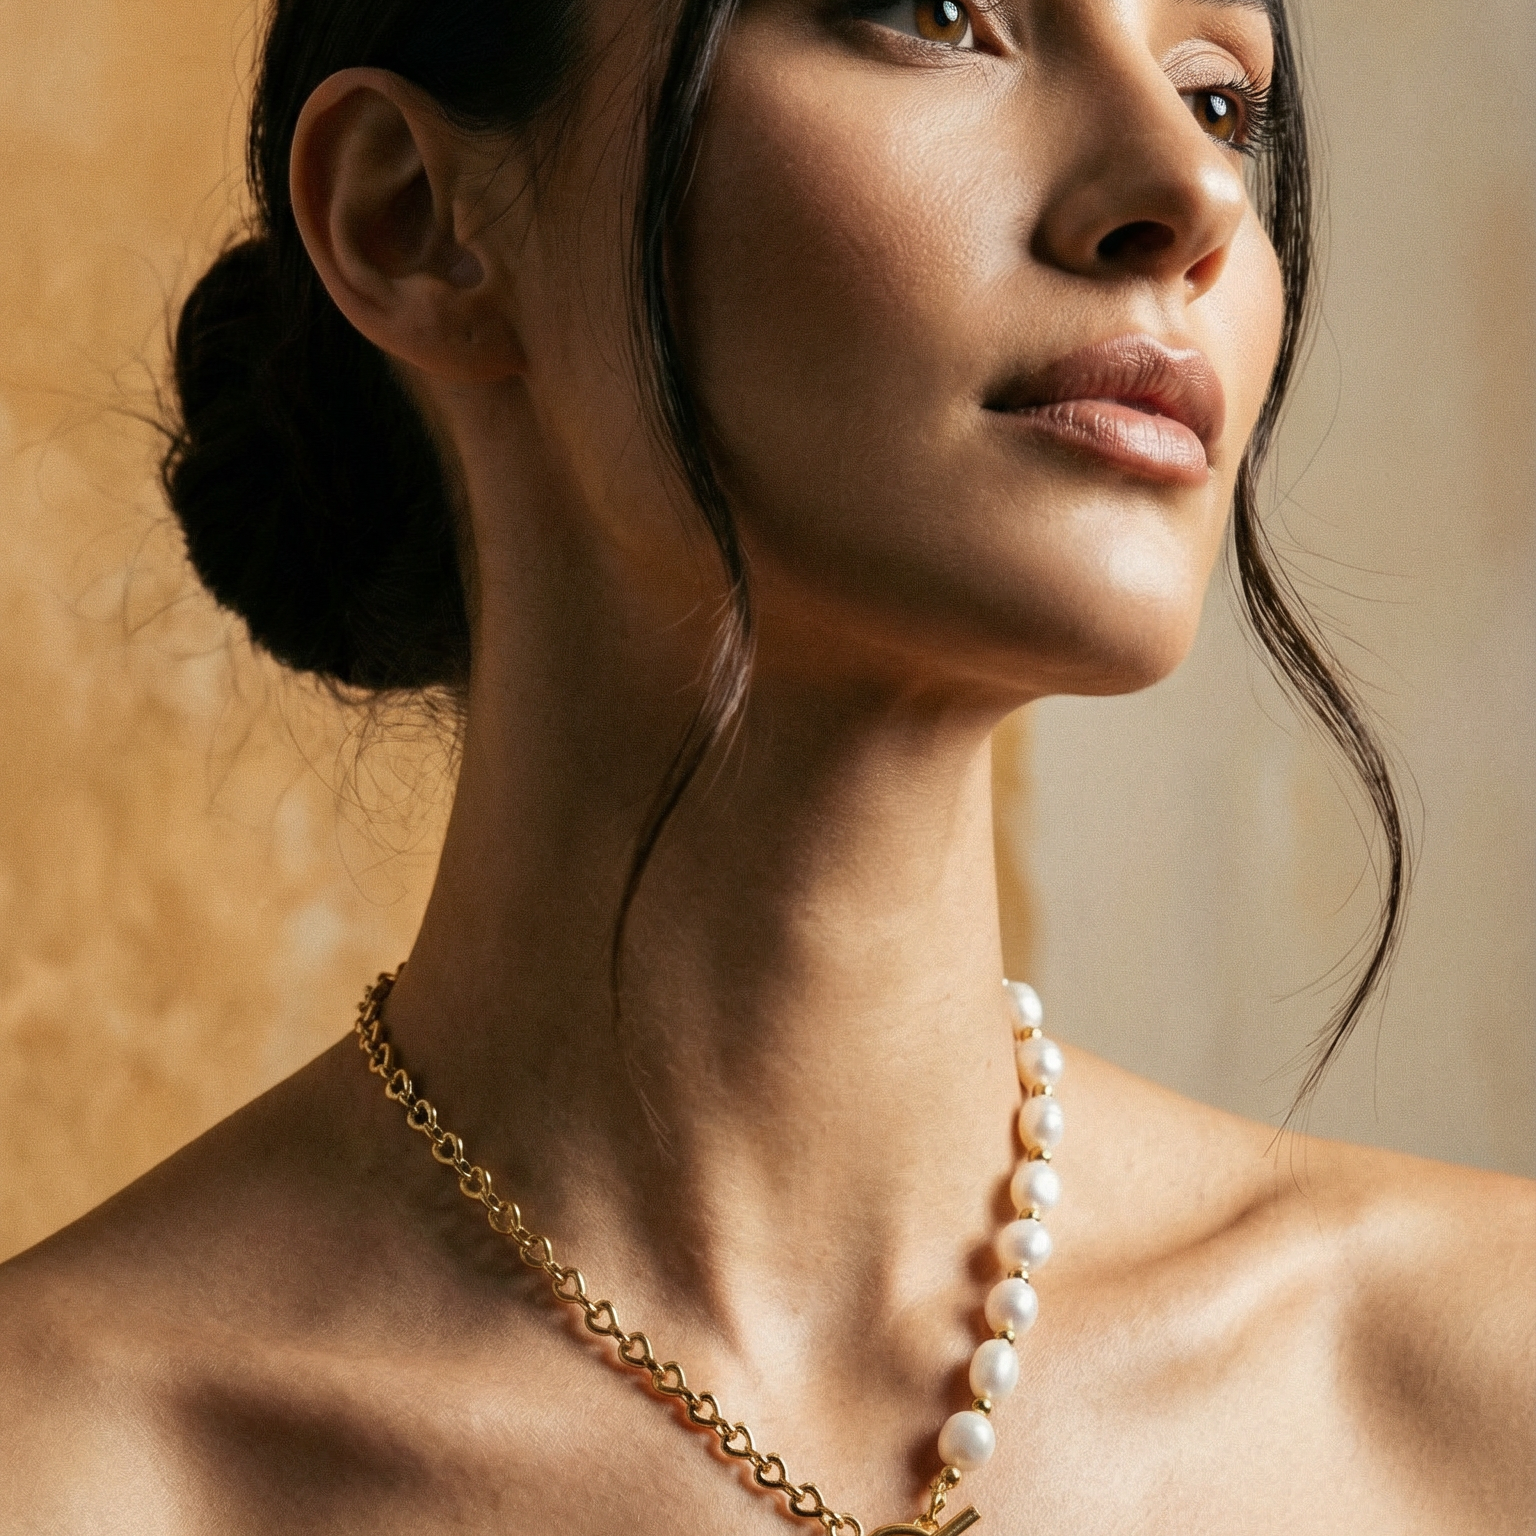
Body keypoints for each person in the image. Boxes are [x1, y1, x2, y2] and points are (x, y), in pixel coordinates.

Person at [1, 0, 1530, 1529]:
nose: (1187, 196)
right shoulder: (66, 1462)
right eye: (936, 14)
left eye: (1217, 102)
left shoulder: (1484, 1381)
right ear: (412, 218)